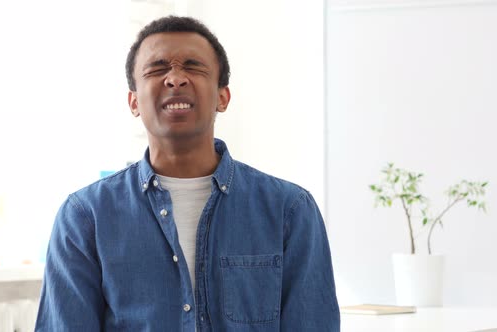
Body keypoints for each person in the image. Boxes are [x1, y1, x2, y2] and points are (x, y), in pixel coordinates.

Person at [36, 15, 340, 331]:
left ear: (223, 97)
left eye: (193, 67)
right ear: (134, 101)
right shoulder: (86, 217)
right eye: (157, 69)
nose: (175, 79)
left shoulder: (289, 211)